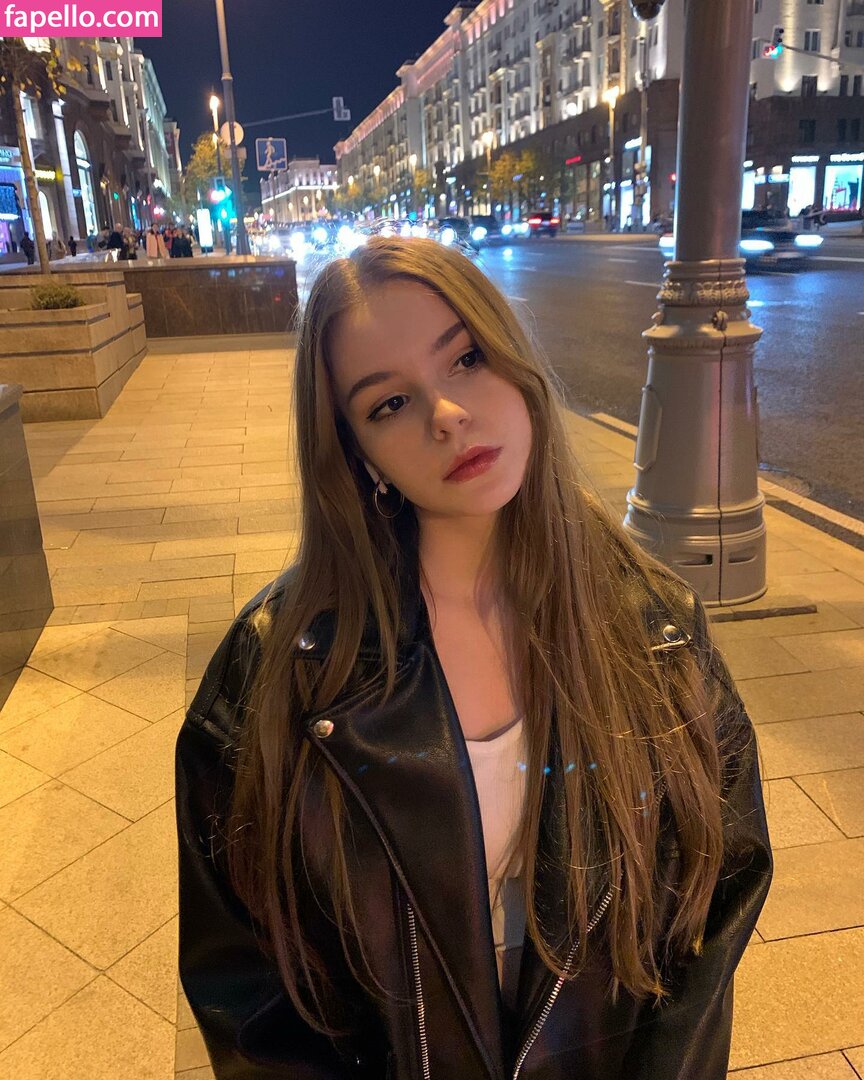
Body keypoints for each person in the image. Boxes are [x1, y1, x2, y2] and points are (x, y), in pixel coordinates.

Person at [176, 236, 772, 1080]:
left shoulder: (656, 629)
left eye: (466, 359)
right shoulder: (277, 672)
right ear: (357, 453)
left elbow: (717, 903)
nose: (447, 414)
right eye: (389, 404)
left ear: (514, 358)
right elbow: (247, 995)